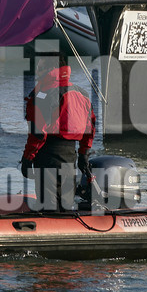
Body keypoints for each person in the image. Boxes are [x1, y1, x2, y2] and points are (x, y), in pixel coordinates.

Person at [20, 60, 95, 209]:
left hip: (48, 155)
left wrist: (27, 158)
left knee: (48, 205)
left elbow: (38, 133)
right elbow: (90, 128)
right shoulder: (82, 94)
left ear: (52, 69)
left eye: (40, 68)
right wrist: (83, 155)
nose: (37, 71)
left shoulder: (44, 94)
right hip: (69, 158)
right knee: (66, 203)